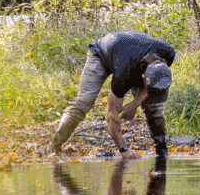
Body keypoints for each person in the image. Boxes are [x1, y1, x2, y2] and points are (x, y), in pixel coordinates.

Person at [51, 28, 175, 157]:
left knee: (153, 106)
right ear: (143, 76)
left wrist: (135, 103)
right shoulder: (125, 73)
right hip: (101, 53)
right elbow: (111, 113)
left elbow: (148, 84)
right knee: (84, 101)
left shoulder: (168, 54)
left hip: (131, 56)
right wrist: (124, 149)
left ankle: (161, 151)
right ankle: (55, 148)